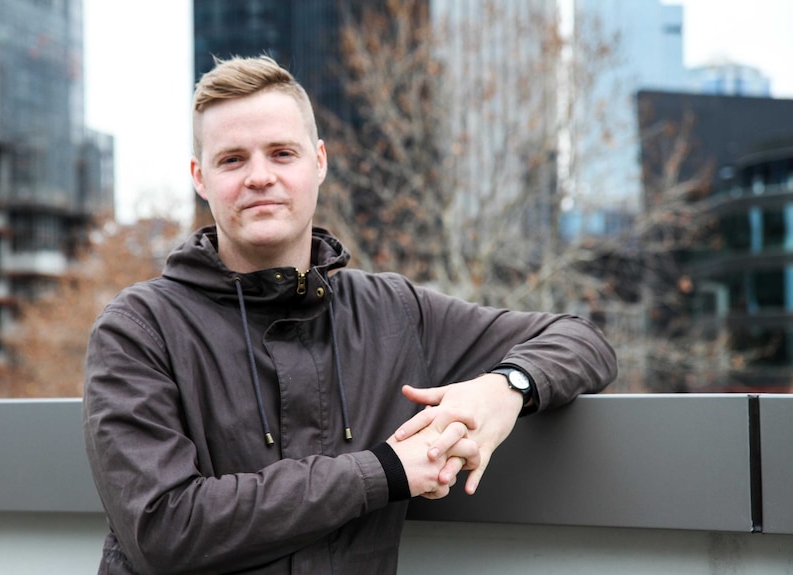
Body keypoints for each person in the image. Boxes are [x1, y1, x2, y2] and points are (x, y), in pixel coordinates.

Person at [82, 55, 617, 575]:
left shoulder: (391, 312)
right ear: (201, 177)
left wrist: (503, 389)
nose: (259, 176)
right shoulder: (138, 328)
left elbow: (582, 340)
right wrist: (383, 471)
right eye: (232, 159)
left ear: (319, 162)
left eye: (281, 153)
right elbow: (163, 530)